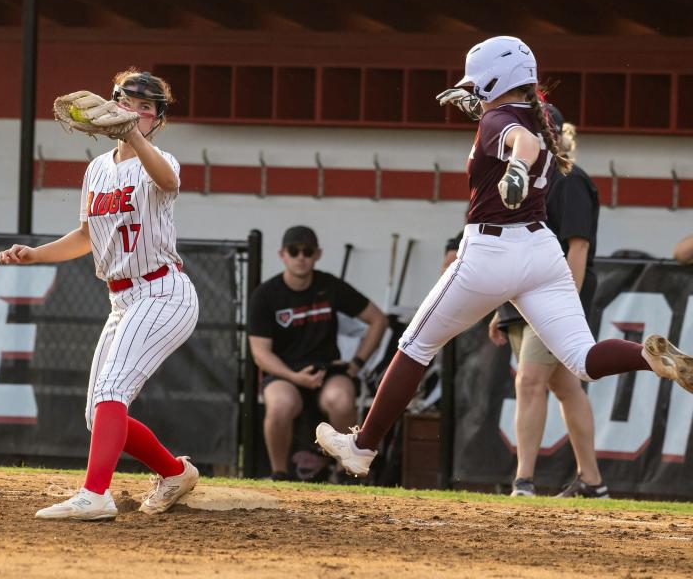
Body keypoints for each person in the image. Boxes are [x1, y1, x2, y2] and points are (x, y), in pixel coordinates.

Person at [315, 35, 693, 479]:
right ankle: (646, 358)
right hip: (541, 251)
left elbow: (521, 144)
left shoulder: (503, 118)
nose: (474, 94)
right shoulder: (540, 117)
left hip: (492, 249)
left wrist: (515, 167)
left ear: (497, 78)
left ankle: (362, 446)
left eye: (479, 83)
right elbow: (527, 136)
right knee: (582, 359)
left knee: (416, 346)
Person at [0, 69, 200, 520]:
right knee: (99, 414)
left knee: (112, 391)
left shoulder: (160, 159)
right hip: (122, 299)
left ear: (157, 120)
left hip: (163, 291)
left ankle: (96, 494)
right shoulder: (97, 170)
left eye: (148, 107)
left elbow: (167, 181)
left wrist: (133, 134)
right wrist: (35, 254)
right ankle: (174, 473)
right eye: (129, 101)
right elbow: (87, 235)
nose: (138, 111)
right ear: (111, 104)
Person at [486, 117, 607, 498]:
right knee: (566, 388)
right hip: (522, 297)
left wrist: (563, 304)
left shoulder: (567, 178)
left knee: (529, 381)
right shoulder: (523, 180)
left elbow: (579, 246)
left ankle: (523, 481)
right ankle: (592, 482)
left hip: (551, 298)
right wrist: (499, 306)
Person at [248, 226, 387, 481]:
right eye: (294, 251)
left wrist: (356, 363)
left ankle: (344, 472)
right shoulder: (265, 295)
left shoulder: (329, 286)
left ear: (317, 254)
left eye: (308, 251)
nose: (301, 256)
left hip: (328, 371)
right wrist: (294, 376)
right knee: (280, 405)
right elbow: (260, 354)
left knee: (342, 399)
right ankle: (279, 473)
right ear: (282, 254)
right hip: (284, 374)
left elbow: (378, 319)